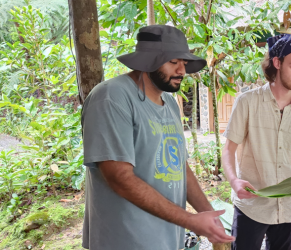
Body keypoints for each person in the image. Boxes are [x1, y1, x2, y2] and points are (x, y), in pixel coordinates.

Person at [81, 25, 235, 250]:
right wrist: (190, 221)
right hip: (125, 240)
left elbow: (179, 167)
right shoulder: (112, 98)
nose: (182, 70)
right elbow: (119, 178)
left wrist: (209, 215)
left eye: (184, 62)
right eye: (173, 62)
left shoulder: (170, 103)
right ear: (148, 60)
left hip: (166, 238)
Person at [221, 34, 291, 250]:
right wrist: (234, 181)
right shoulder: (247, 102)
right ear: (277, 62)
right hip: (251, 207)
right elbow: (228, 149)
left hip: (289, 210)